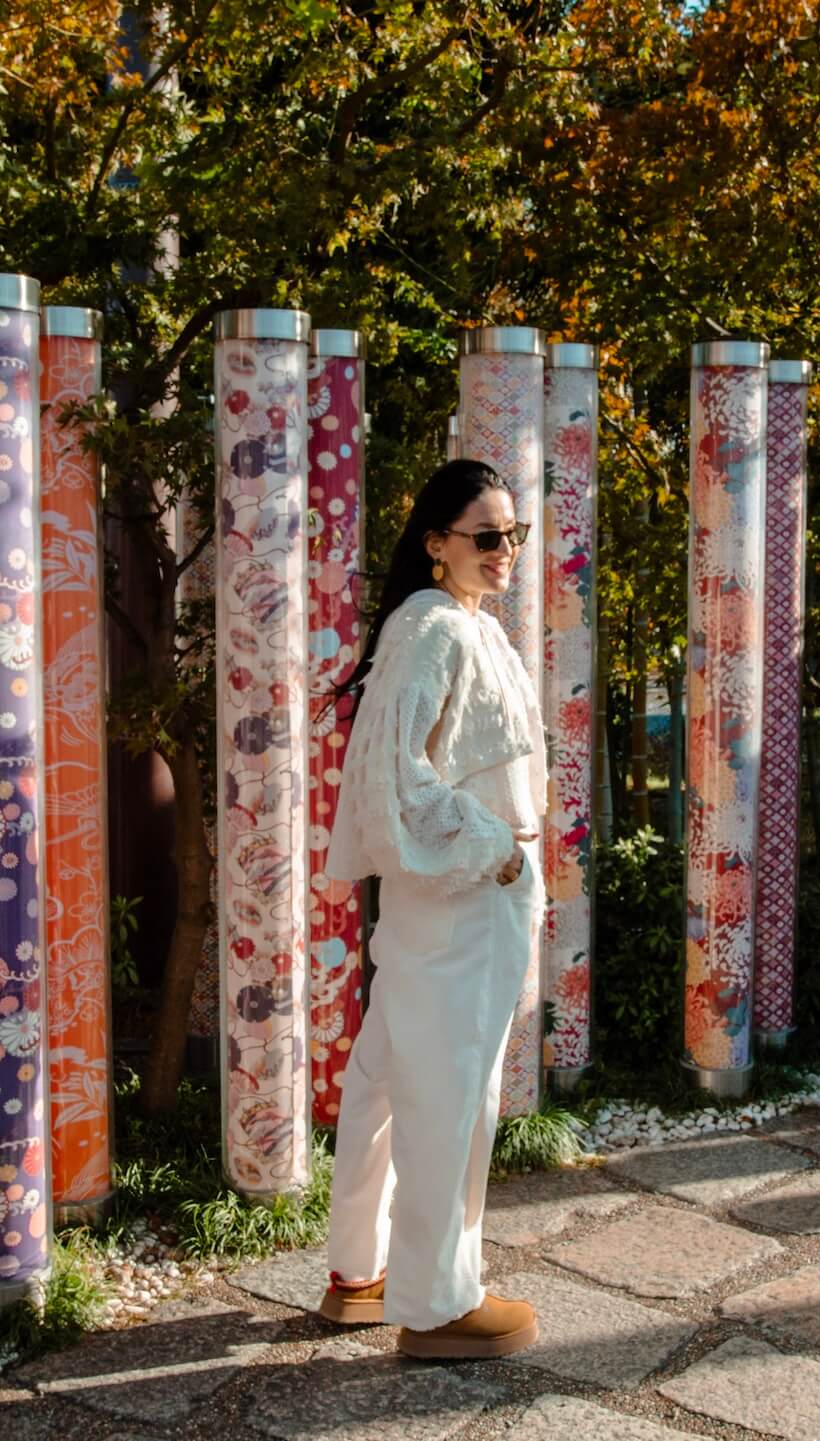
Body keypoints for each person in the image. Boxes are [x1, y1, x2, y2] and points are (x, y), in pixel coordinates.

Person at [317, 457, 545, 1360]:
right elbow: (394, 777)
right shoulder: (434, 630)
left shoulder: (458, 624)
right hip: (463, 894)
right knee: (454, 1092)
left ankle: (360, 1272)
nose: (505, 551)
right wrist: (493, 848)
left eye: (513, 534)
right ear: (435, 543)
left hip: (448, 893)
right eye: (486, 536)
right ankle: (437, 1300)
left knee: (383, 1077)